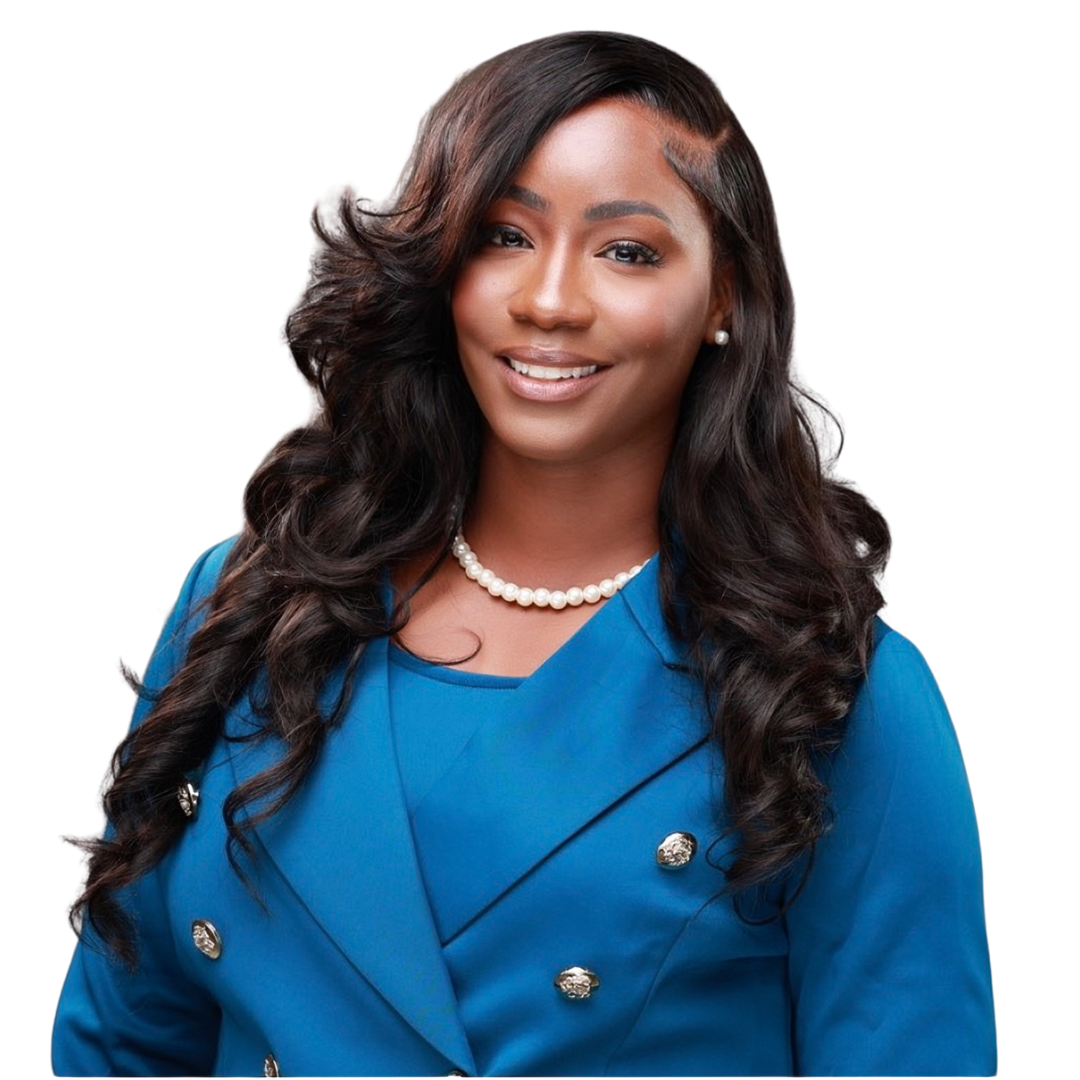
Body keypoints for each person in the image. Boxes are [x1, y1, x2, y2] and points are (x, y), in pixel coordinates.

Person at [51, 29, 995, 1078]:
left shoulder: (835, 688)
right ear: (438, 263)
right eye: (502, 235)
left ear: (725, 296)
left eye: (627, 250)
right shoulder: (247, 598)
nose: (551, 299)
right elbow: (119, 1039)